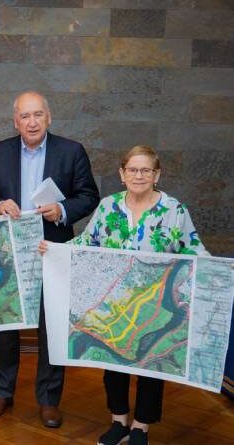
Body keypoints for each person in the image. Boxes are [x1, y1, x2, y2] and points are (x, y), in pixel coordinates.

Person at [39, 145, 208, 445]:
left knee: (152, 366)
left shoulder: (174, 210)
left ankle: (141, 427)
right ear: (122, 173)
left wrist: (219, 271)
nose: (138, 176)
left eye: (145, 170)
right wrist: (54, 250)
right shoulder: (108, 207)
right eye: (132, 170)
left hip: (156, 306)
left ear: (157, 175)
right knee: (113, 364)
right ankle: (119, 422)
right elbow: (86, 242)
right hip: (114, 304)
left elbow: (194, 249)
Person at [0, 91, 100, 427]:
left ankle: (49, 399)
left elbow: (89, 195)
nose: (31, 122)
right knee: (5, 325)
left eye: (37, 115)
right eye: (25, 116)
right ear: (15, 121)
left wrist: (62, 209)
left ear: (48, 117)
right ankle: (2, 392)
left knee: (52, 327)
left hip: (53, 248)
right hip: (9, 251)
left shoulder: (71, 151)